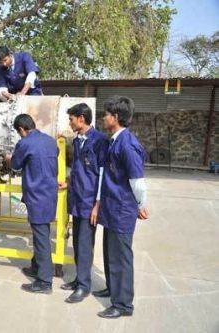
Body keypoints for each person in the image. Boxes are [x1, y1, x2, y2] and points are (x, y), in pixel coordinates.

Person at [97, 96, 149, 319]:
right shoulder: (115, 140)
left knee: (121, 257)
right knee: (110, 253)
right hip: (112, 207)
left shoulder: (127, 144)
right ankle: (113, 288)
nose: (104, 118)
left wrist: (141, 203)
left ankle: (123, 304)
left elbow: (137, 180)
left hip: (121, 209)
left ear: (115, 117)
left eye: (106, 115)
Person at [60, 103, 109, 303]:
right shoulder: (78, 140)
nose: (69, 123)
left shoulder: (99, 141)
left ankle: (83, 286)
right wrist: (69, 182)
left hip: (90, 203)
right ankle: (79, 279)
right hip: (77, 199)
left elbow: (103, 174)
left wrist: (97, 204)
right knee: (78, 242)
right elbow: (80, 170)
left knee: (85, 244)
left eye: (71, 119)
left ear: (81, 118)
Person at [5, 114, 58, 294]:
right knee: (40, 234)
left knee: (41, 237)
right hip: (49, 194)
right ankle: (37, 268)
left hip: (37, 195)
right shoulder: (51, 141)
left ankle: (44, 281)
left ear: (21, 129)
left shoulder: (25, 143)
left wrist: (8, 158)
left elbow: (16, 165)